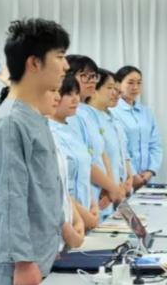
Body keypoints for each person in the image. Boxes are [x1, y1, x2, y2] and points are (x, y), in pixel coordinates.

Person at [0, 18, 70, 285]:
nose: (66, 66)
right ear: (34, 63)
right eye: (60, 56)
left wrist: (58, 232)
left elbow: (42, 187)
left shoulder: (33, 116)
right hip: (13, 267)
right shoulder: (10, 122)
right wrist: (23, 262)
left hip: (37, 256)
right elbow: (10, 197)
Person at [65, 54, 123, 210]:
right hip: (87, 193)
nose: (92, 81)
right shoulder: (69, 113)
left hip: (101, 191)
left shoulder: (88, 112)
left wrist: (110, 186)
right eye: (85, 76)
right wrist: (111, 187)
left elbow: (101, 152)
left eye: (94, 76)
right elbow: (85, 159)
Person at [48, 73, 100, 233]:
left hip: (86, 215)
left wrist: (93, 204)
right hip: (67, 220)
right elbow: (57, 186)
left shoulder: (71, 129)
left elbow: (84, 172)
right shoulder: (48, 131)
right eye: (68, 94)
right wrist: (83, 216)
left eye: (77, 93)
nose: (75, 99)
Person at [88, 68, 135, 220]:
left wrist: (129, 177)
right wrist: (111, 188)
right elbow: (97, 158)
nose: (116, 93)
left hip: (119, 192)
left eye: (116, 89)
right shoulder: (88, 117)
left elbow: (123, 153)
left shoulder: (112, 118)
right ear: (94, 90)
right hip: (103, 194)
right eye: (110, 88)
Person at [111, 65, 163, 188]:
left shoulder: (146, 112)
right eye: (130, 83)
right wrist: (133, 174)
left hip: (146, 179)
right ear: (118, 84)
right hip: (123, 178)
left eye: (139, 83)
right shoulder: (112, 111)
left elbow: (155, 144)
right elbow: (118, 149)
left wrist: (151, 170)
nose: (135, 87)